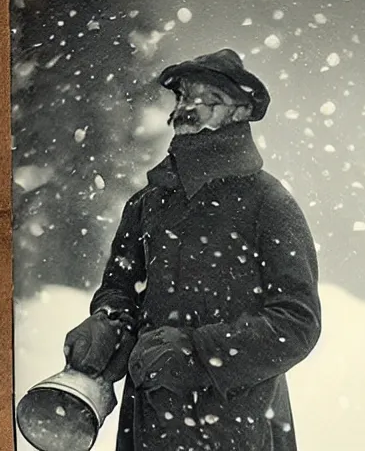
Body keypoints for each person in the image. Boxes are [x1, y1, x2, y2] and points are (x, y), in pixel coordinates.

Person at [63, 49, 322, 451]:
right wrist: (109, 319)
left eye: (208, 99)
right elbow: (121, 288)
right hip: (150, 425)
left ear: (240, 111)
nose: (188, 107)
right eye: (184, 97)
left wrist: (197, 352)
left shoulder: (269, 204)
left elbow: (297, 325)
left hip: (239, 430)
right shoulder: (147, 202)